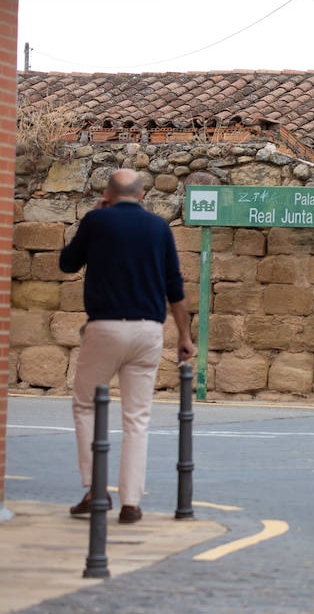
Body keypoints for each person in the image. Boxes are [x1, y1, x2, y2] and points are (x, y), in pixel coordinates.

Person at [61, 169, 195, 525]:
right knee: (137, 418)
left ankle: (95, 489)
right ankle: (132, 502)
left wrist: (96, 214)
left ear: (108, 193)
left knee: (86, 405)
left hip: (104, 327)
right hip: (148, 330)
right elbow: (174, 286)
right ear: (141, 195)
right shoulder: (159, 228)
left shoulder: (96, 220)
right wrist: (184, 335)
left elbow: (67, 263)